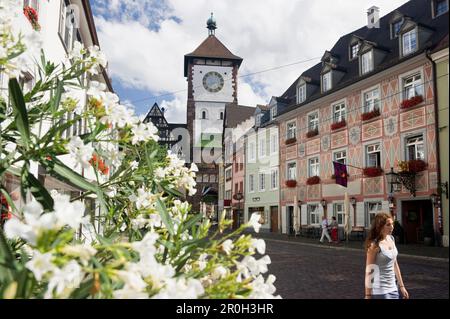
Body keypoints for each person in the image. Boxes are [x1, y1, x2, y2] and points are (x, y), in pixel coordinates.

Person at [364, 212, 409, 299]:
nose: (392, 227)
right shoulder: (374, 245)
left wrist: (402, 286)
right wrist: (368, 295)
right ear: (380, 226)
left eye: (392, 224)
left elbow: (395, 264)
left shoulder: (391, 239)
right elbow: (370, 271)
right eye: (388, 225)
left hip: (393, 289)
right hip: (380, 291)